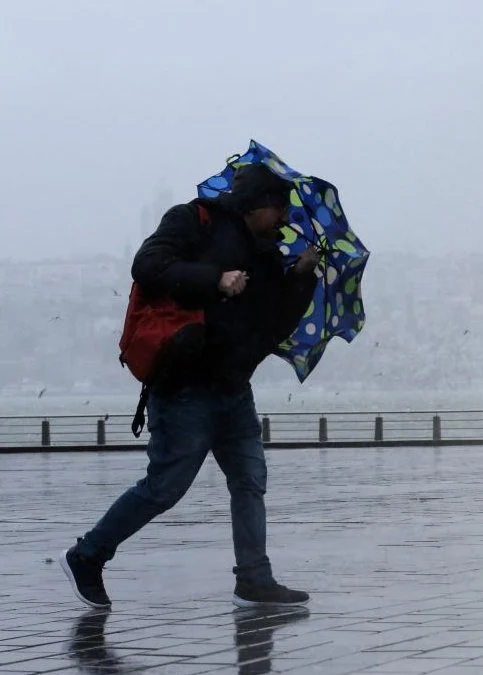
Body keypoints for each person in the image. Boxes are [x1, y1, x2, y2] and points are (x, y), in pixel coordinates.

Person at [60, 164, 320, 609]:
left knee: (250, 480)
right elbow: (147, 265)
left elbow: (273, 327)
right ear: (257, 204)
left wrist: (299, 278)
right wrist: (214, 280)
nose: (284, 219)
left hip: (234, 389)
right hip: (185, 386)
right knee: (165, 487)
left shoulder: (267, 255)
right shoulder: (192, 220)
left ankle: (254, 580)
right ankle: (88, 555)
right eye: (279, 208)